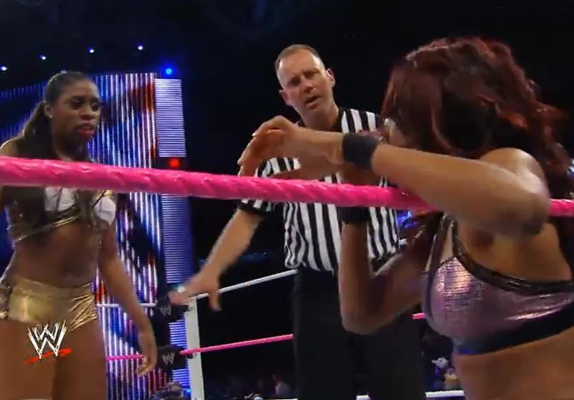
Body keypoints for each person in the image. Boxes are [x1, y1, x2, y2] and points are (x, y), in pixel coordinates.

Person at [237, 38, 574, 400]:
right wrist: (353, 203)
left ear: (434, 118)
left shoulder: (509, 162)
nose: (390, 131)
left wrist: (345, 146)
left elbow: (522, 207)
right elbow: (361, 314)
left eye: (398, 117)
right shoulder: (445, 228)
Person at [172, 44, 425, 400]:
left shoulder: (375, 128)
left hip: (381, 276)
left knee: (400, 389)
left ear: (329, 77)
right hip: (318, 292)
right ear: (285, 96)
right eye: (294, 82)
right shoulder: (276, 151)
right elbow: (246, 217)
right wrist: (211, 271)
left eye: (311, 74)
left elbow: (418, 171)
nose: (306, 85)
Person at [0, 71, 158, 400]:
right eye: (76, 104)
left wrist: (142, 323)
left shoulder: (101, 176)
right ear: (49, 109)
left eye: (95, 106)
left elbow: (109, 259)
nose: (88, 113)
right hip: (28, 309)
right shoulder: (17, 155)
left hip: (80, 310)